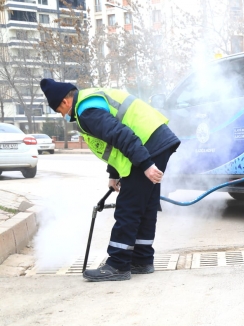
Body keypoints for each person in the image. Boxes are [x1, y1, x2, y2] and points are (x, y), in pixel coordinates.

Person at [40, 79, 180, 282]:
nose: (63, 116)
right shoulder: (90, 101)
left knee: (129, 207)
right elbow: (113, 142)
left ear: (64, 102)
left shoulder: (87, 111)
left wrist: (146, 164)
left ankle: (118, 265)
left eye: (59, 111)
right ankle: (141, 259)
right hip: (155, 140)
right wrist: (113, 174)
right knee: (145, 205)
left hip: (147, 145)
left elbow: (120, 134)